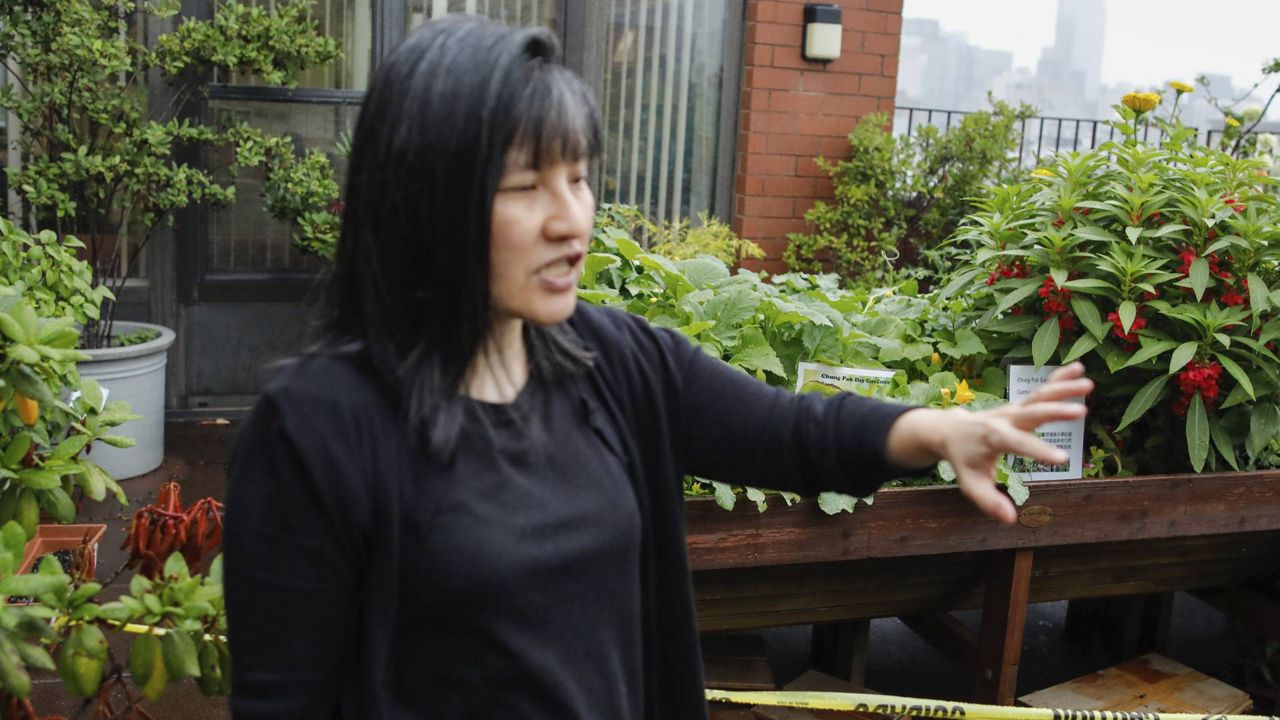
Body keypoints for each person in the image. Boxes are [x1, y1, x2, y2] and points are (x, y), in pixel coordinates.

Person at [222, 15, 1092, 720]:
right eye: (526, 186)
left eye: (582, 179)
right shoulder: (319, 426)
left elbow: (790, 433)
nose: (573, 220)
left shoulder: (616, 362)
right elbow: (284, 700)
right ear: (424, 201)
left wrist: (938, 429)